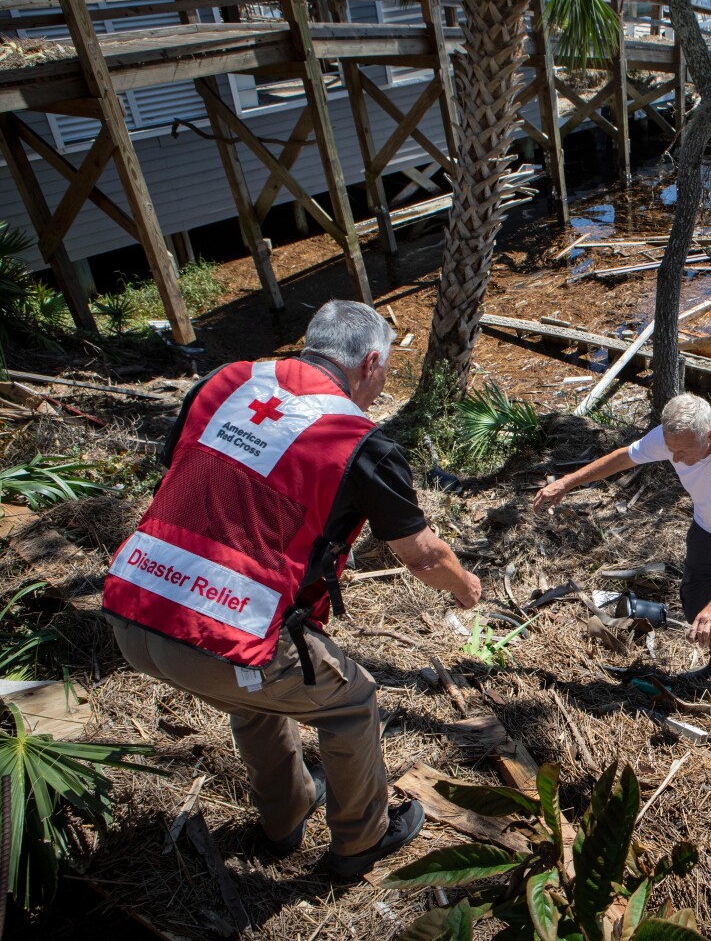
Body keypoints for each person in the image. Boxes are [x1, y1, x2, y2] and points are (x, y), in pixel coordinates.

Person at [103, 300, 484, 877]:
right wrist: (464, 587)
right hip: (210, 637)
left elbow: (185, 468)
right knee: (352, 703)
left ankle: (284, 820)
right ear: (371, 362)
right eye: (386, 371)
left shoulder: (225, 382)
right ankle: (362, 842)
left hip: (132, 606)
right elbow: (425, 556)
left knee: (256, 696)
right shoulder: (358, 440)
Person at [533, 393, 711, 676]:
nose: (675, 458)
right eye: (671, 450)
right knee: (696, 606)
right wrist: (567, 483)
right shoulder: (675, 439)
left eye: (684, 451)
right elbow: (622, 458)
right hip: (707, 529)